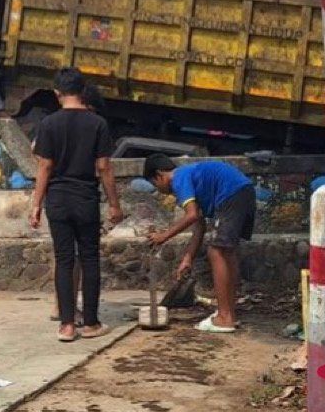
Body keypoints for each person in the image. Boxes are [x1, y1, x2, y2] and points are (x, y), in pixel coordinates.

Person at [30, 69, 124, 341]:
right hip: (86, 198)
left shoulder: (48, 124)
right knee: (90, 258)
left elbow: (44, 166)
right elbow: (104, 167)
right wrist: (114, 204)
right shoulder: (97, 124)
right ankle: (91, 323)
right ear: (83, 91)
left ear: (57, 93)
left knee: (64, 260)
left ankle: (67, 325)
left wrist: (36, 204)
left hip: (57, 199)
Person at [144, 155, 255, 333]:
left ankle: (224, 317)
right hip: (244, 190)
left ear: (159, 176)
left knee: (215, 252)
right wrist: (187, 258)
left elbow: (191, 215)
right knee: (227, 252)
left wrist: (163, 236)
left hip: (231, 193)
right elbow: (199, 226)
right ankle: (229, 314)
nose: (159, 190)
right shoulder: (192, 176)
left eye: (155, 185)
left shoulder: (179, 178)